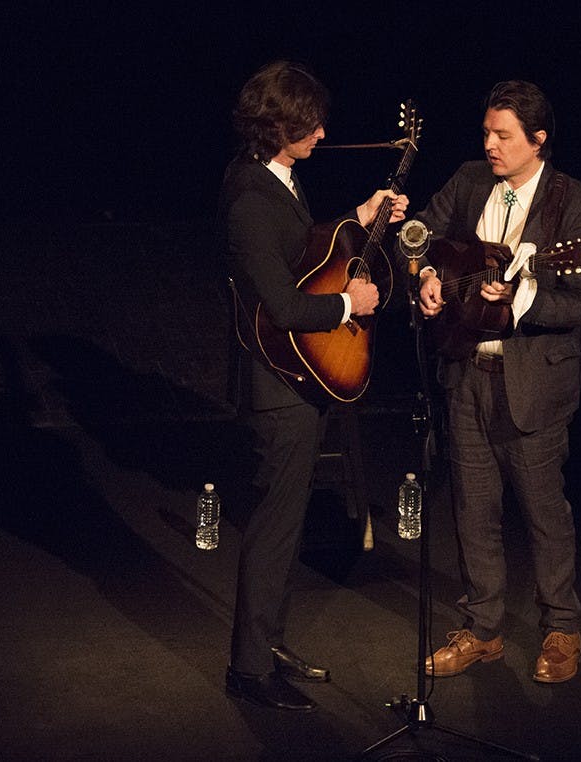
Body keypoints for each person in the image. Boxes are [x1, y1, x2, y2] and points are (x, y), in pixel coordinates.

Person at [219, 60, 408, 711]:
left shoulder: (280, 180)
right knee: (274, 529)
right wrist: (351, 305)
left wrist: (360, 211)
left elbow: (300, 248)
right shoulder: (248, 198)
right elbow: (284, 305)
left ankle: (266, 643)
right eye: (310, 124)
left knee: (288, 524)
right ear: (277, 127)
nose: (323, 133)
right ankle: (247, 669)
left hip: (300, 380)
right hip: (278, 390)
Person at [404, 80, 581, 683]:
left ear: (537, 141)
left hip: (533, 385)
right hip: (466, 372)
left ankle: (561, 628)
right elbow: (417, 231)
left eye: (503, 136)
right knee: (473, 508)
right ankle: (483, 629)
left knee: (544, 511)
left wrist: (523, 297)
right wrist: (427, 275)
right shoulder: (470, 181)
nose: (489, 144)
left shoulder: (576, 207)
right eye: (487, 132)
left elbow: (580, 304)